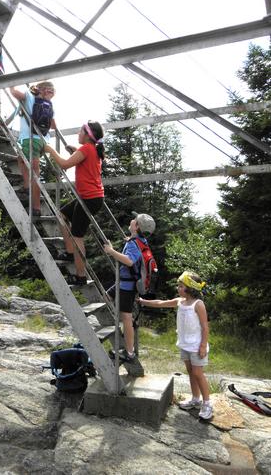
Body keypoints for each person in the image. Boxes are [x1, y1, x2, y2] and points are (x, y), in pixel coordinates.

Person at [138, 271, 213, 420]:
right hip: (185, 345)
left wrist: (203, 346)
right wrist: (143, 301)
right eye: (178, 286)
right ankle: (195, 399)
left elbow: (205, 327)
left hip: (197, 346)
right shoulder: (180, 301)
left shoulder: (198, 304)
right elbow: (161, 303)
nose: (178, 288)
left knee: (198, 373)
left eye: (180, 286)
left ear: (190, 288)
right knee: (191, 372)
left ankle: (207, 404)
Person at [44, 121, 105, 285]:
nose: (78, 134)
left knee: (78, 236)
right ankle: (71, 252)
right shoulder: (91, 149)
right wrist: (75, 151)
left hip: (89, 199)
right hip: (91, 198)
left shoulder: (86, 149)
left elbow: (64, 165)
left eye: (80, 131)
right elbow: (85, 160)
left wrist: (50, 150)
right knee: (61, 214)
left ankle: (80, 276)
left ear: (87, 135)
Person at [103, 212, 156, 363]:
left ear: (137, 226)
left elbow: (130, 261)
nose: (132, 220)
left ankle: (130, 352)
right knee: (106, 297)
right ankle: (123, 339)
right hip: (124, 282)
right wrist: (129, 240)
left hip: (126, 285)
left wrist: (111, 251)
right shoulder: (139, 241)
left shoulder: (134, 244)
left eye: (135, 220)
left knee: (126, 317)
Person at [10, 81, 56, 216]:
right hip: (43, 142)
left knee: (31, 170)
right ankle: (32, 199)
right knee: (25, 163)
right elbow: (53, 127)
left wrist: (10, 83)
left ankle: (30, 195)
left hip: (29, 139)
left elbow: (14, 93)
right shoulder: (50, 105)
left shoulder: (30, 97)